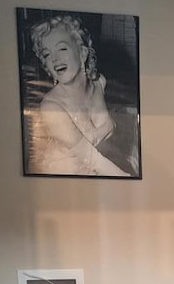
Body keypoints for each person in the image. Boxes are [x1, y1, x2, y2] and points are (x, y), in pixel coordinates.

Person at [29, 14, 130, 176]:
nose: (54, 59)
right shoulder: (50, 106)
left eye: (62, 48)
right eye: (47, 54)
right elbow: (93, 159)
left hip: (100, 171)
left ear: (82, 53)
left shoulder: (99, 83)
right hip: (65, 181)